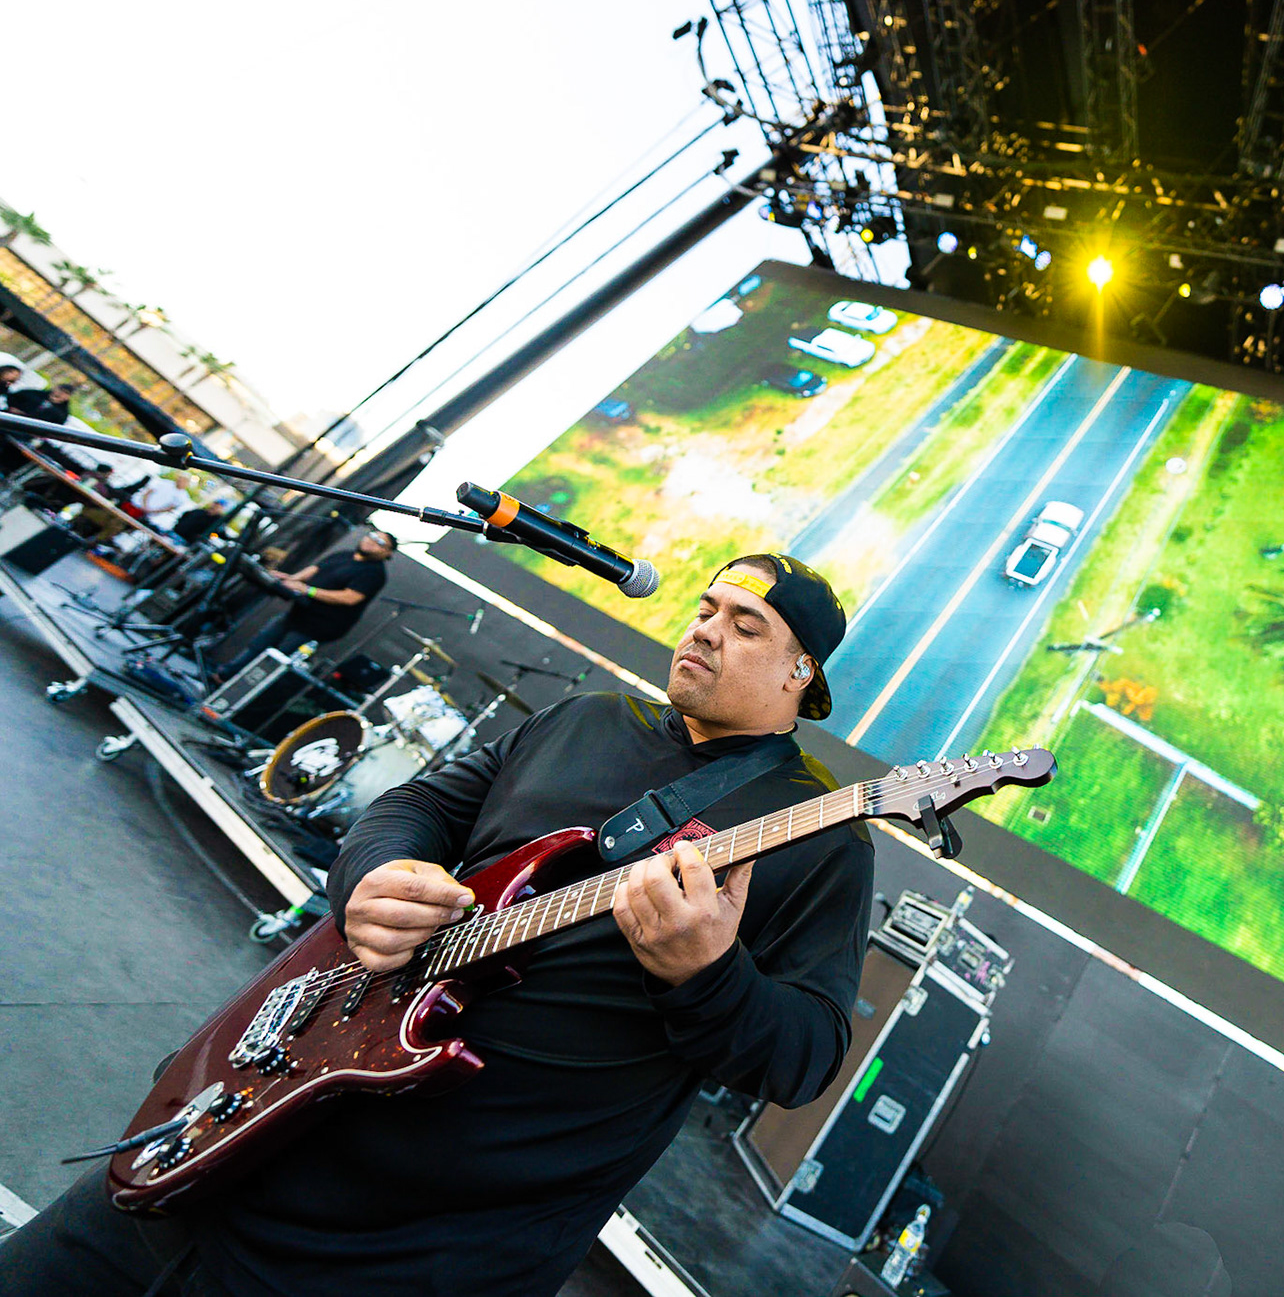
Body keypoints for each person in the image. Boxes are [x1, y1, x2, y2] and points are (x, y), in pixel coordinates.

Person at [3, 552, 873, 1297]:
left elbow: (803, 1057)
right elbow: (415, 807)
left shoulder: (819, 833)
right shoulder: (584, 719)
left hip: (412, 1254)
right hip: (247, 1122)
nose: (707, 631)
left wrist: (707, 972)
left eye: (746, 626)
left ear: (801, 673)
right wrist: (373, 877)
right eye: (706, 609)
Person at [213, 528, 394, 677]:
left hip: (320, 625)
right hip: (299, 612)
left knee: (275, 659)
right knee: (260, 643)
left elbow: (350, 597)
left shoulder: (374, 573)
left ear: (387, 552)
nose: (372, 541)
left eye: (380, 542)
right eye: (372, 536)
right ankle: (224, 675)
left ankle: (238, 690)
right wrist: (290, 579)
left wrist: (308, 590)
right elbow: (315, 569)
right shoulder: (344, 555)